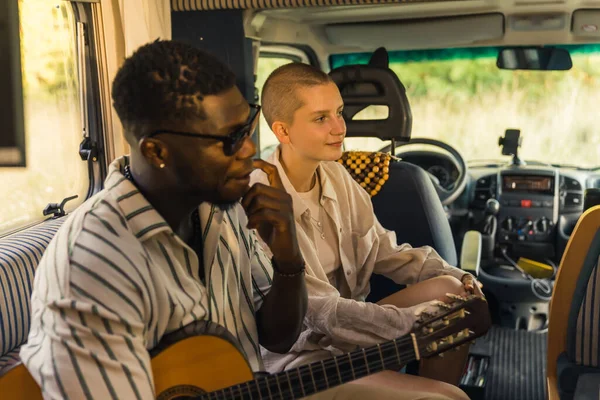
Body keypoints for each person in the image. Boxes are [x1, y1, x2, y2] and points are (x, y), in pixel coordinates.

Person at [19, 40, 308, 400]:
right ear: (157, 152)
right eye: (230, 139)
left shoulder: (224, 206)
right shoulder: (94, 261)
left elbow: (277, 338)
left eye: (247, 126)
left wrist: (288, 258)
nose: (249, 149)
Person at [250, 62, 485, 400]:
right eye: (321, 119)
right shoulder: (262, 200)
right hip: (300, 359)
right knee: (454, 399)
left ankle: (432, 385)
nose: (339, 128)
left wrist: (462, 279)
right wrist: (416, 322)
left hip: (347, 334)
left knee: (451, 292)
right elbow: (320, 314)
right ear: (283, 132)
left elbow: (385, 251)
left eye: (340, 113)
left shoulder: (337, 176)